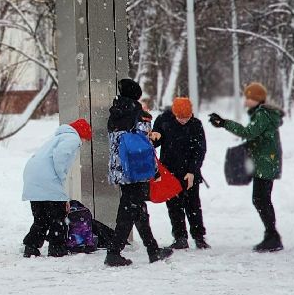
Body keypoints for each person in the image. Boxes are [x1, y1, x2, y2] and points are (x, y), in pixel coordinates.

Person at [105, 78, 173, 268]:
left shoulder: (115, 112)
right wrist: (155, 168)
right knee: (129, 210)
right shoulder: (138, 114)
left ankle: (153, 250)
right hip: (137, 168)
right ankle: (114, 252)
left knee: (137, 209)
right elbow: (145, 145)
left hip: (121, 168)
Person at [209, 82, 284, 253]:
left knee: (261, 199)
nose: (246, 100)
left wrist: (224, 123)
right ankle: (271, 235)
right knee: (261, 199)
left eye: (249, 97)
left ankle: (272, 236)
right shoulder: (261, 113)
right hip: (265, 161)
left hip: (266, 163)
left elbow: (249, 132)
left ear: (257, 99)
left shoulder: (263, 114)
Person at [21, 118, 93, 258]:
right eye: (85, 139)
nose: (84, 142)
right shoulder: (72, 138)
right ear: (82, 134)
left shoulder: (58, 137)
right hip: (48, 178)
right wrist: (61, 174)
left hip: (33, 177)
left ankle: (31, 246)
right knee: (58, 216)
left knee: (41, 218)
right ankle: (57, 248)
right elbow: (60, 156)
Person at [153, 96, 208, 250]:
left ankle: (199, 237)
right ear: (174, 113)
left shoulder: (196, 125)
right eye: (180, 117)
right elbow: (156, 141)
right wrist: (155, 137)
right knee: (174, 206)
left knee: (193, 205)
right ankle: (180, 237)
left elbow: (200, 150)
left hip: (190, 172)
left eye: (187, 117)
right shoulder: (163, 120)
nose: (184, 120)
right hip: (169, 172)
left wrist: (192, 171)